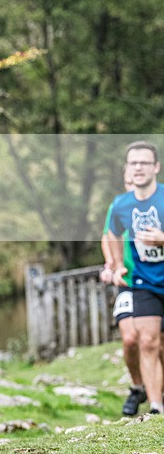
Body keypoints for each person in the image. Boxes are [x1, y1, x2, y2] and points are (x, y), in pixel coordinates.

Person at [108, 141, 164, 415]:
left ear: (156, 167)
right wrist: (117, 264)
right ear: (128, 169)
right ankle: (156, 408)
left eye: (144, 162)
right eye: (134, 163)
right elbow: (111, 234)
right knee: (147, 341)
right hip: (143, 282)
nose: (139, 167)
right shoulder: (121, 205)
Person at [100, 168, 146, 415]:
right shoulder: (117, 208)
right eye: (128, 182)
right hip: (127, 283)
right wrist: (111, 264)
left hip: (155, 282)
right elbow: (107, 238)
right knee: (130, 339)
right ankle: (138, 387)